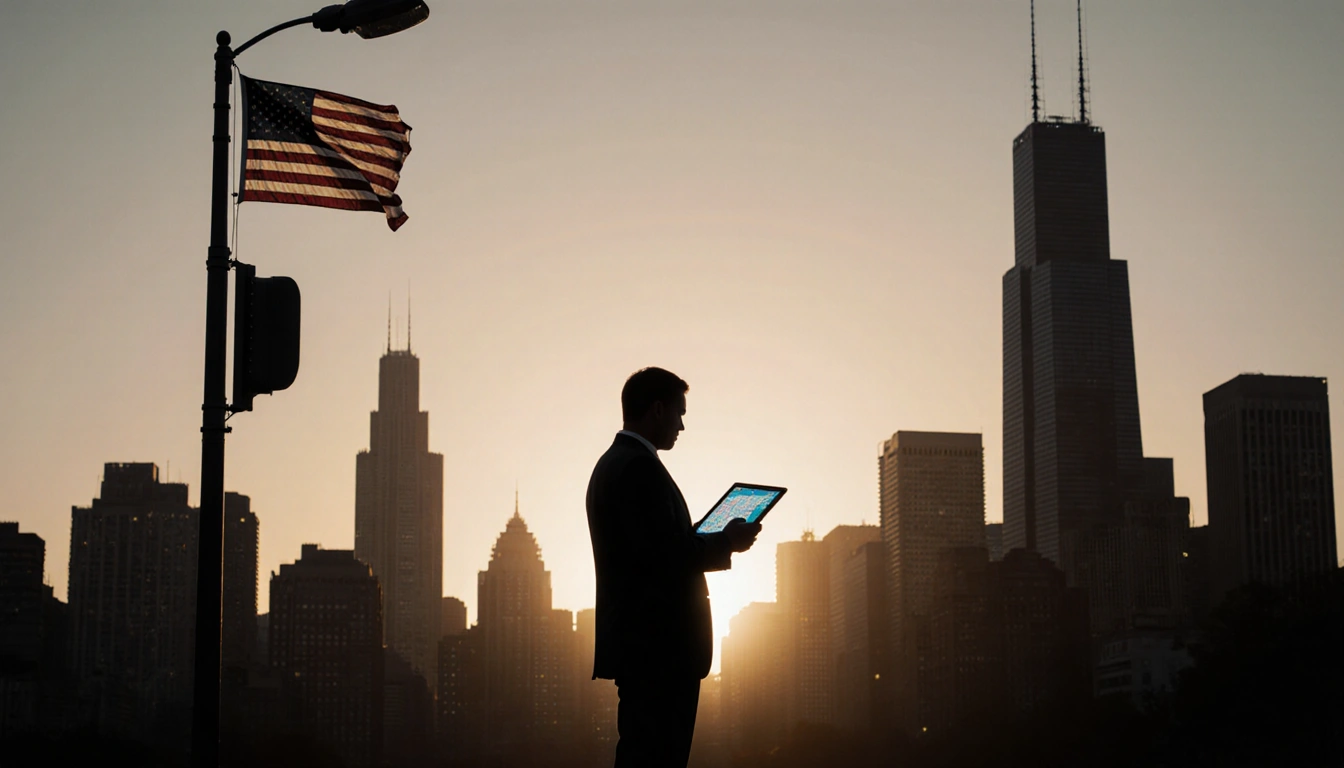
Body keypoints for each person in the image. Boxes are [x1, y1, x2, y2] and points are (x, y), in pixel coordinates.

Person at [586, 367, 761, 768]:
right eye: (680, 413)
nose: (683, 425)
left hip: (645, 650)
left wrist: (703, 536)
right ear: (658, 410)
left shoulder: (613, 464)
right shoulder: (638, 468)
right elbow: (664, 558)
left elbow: (654, 546)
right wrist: (726, 542)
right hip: (660, 652)